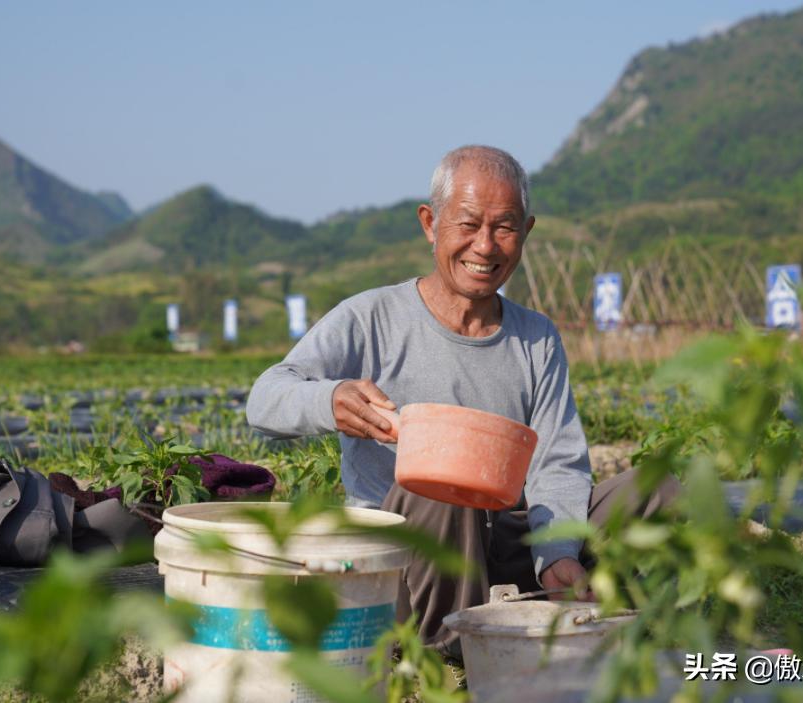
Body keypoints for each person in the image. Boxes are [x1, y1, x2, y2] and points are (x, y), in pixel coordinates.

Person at [247, 145, 677, 656]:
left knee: (656, 487)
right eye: (469, 224)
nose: (486, 246)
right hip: (410, 558)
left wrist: (557, 551)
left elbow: (557, 461)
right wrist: (330, 398)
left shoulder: (535, 337)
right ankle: (453, 644)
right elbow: (265, 399)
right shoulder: (370, 318)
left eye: (505, 227)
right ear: (431, 224)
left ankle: (567, 606)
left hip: (506, 541)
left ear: (527, 232)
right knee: (445, 480)